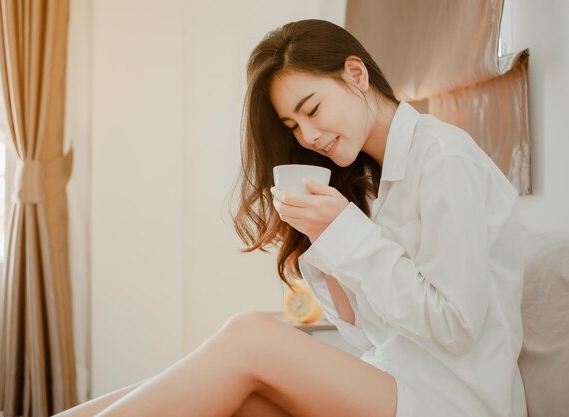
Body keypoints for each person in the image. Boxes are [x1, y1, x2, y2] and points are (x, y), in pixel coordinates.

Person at [55, 19, 526, 417]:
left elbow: (456, 327)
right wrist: (329, 239)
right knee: (242, 397)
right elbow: (367, 336)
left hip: (458, 399)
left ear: (356, 74)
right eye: (294, 127)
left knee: (249, 334)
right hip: (398, 381)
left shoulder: (444, 158)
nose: (309, 135)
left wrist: (348, 234)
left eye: (313, 110)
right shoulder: (372, 182)